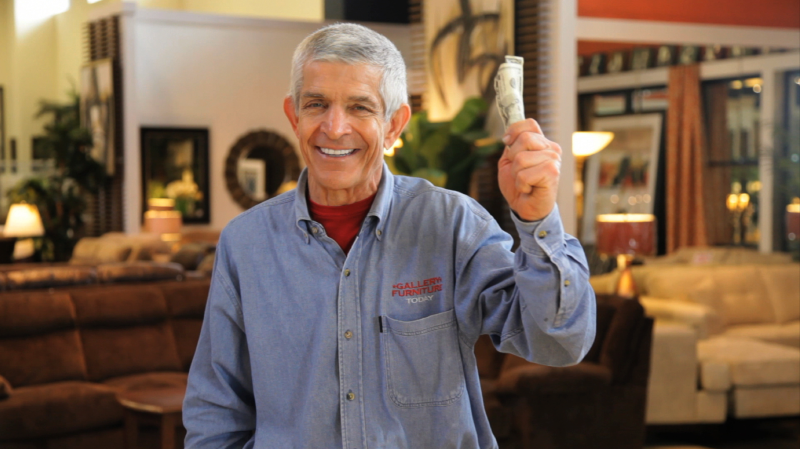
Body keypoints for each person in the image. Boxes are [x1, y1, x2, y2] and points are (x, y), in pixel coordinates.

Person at [183, 23, 595, 449]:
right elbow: (217, 411)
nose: (335, 126)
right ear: (294, 115)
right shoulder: (245, 245)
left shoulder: (451, 224)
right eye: (317, 104)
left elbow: (559, 343)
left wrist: (538, 219)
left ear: (394, 124)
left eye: (360, 107)